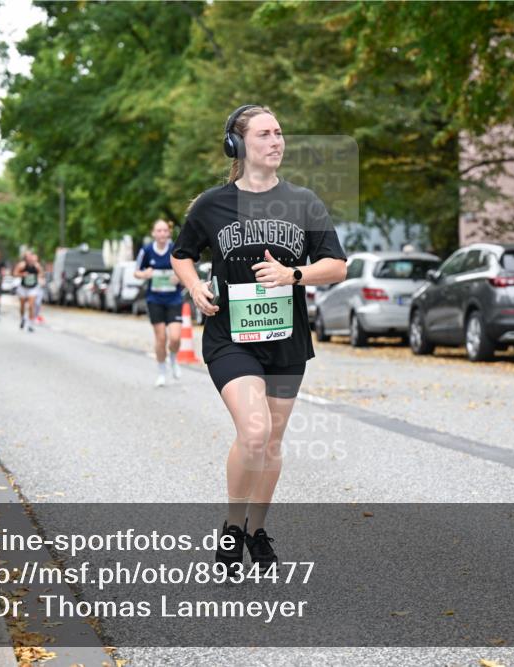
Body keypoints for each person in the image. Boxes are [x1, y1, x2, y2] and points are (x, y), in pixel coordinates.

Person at [170, 104, 347, 573]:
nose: (276, 141)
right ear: (238, 144)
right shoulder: (212, 204)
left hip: (287, 341)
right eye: (265, 134)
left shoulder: (304, 202)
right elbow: (181, 254)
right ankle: (232, 527)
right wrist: (194, 287)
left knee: (271, 442)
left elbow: (337, 265)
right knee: (254, 431)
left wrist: (293, 273)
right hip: (230, 336)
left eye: (279, 133)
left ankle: (257, 529)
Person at [135, 220, 184, 386]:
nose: (162, 234)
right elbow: (136, 272)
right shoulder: (147, 251)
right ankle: (162, 371)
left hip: (174, 298)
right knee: (161, 337)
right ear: (153, 233)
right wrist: (145, 274)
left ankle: (174, 358)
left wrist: (179, 277)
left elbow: (187, 268)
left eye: (165, 231)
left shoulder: (176, 249)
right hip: (155, 299)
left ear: (169, 233)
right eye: (159, 231)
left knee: (176, 338)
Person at [13, 251, 43, 332]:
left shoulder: (36, 265)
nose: (30, 258)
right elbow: (15, 273)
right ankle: (22, 318)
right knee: (22, 305)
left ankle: (30, 324)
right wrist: (22, 274)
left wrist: (37, 277)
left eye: (31, 256)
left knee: (31, 305)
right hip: (23, 287)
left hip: (32, 288)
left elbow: (41, 273)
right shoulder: (22, 265)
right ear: (25, 258)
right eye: (28, 257)